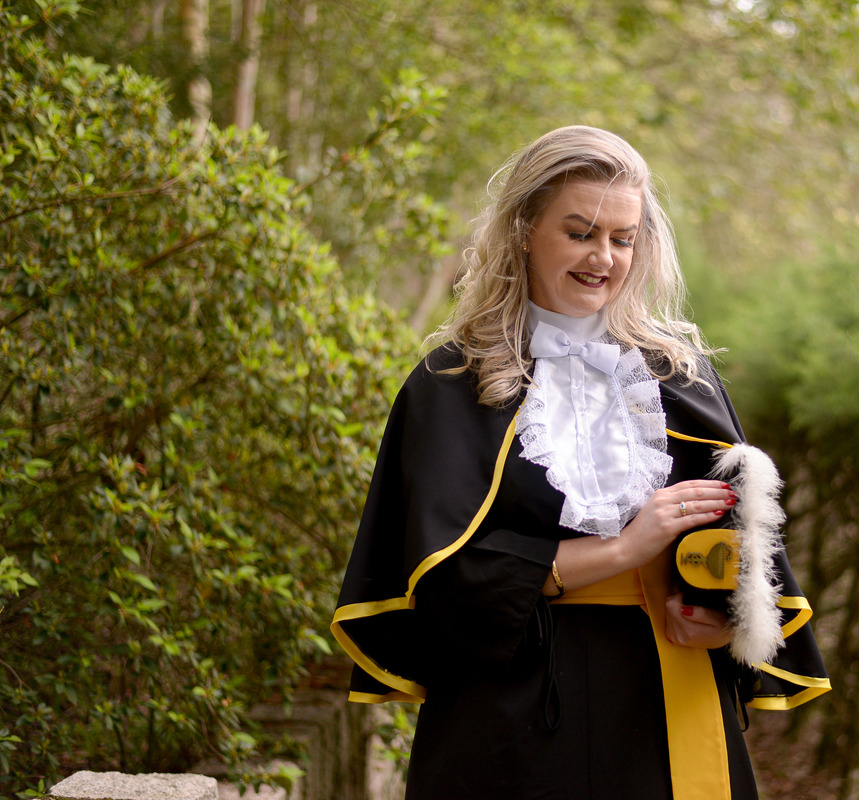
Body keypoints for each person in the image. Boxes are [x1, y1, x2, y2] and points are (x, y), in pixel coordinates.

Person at [331, 126, 829, 799]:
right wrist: (623, 549)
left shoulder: (681, 377)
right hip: (510, 707)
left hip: (668, 702)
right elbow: (446, 583)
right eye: (580, 233)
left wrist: (723, 620)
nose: (604, 257)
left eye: (623, 239)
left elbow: (743, 555)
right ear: (524, 230)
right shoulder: (450, 384)